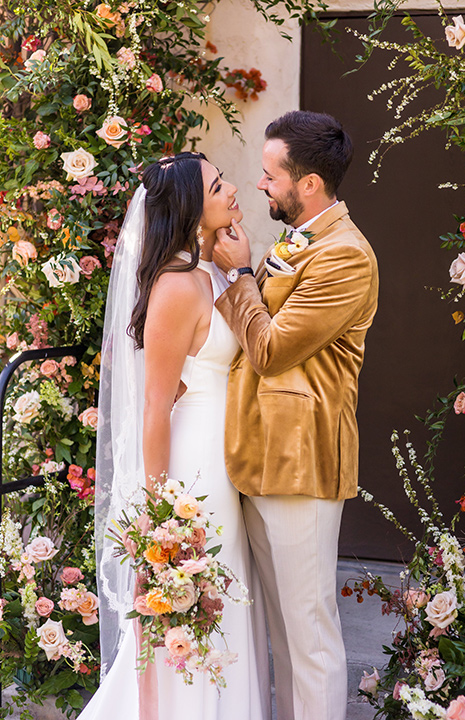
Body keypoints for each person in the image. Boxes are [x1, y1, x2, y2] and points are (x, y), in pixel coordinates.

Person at [80, 152, 271, 720]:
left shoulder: (210, 271)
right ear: (192, 205)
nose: (233, 187)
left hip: (225, 462)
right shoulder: (175, 287)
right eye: (218, 184)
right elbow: (157, 405)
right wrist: (160, 510)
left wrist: (241, 267)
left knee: (226, 596)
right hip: (191, 473)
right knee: (193, 599)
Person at [213, 110, 379, 720]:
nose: (259, 184)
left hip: (304, 460)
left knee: (309, 634)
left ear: (307, 184)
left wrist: (237, 274)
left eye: (268, 174)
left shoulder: (346, 256)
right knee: (280, 629)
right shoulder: (297, 238)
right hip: (258, 455)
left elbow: (272, 349)